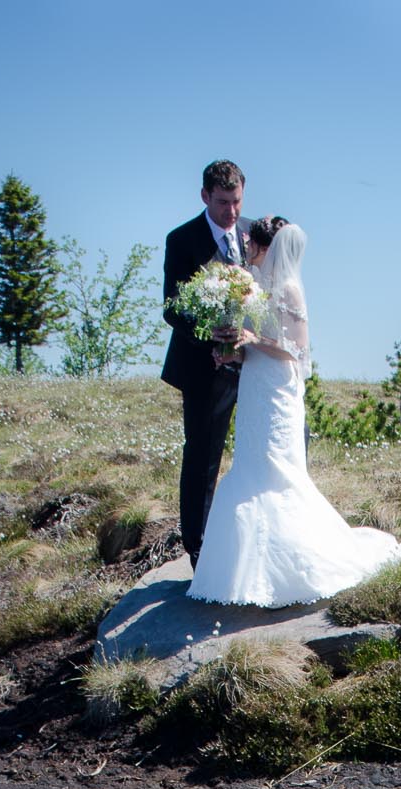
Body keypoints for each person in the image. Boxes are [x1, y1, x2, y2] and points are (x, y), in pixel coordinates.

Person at [188, 220, 401, 608]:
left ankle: (293, 570)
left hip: (278, 388)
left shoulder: (289, 288)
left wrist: (252, 338)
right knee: (251, 469)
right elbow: (251, 345)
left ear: (266, 247)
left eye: (252, 244)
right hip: (255, 384)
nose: (247, 247)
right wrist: (230, 351)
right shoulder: (253, 288)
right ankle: (245, 576)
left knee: (277, 471)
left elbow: (296, 350)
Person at [162, 159, 251, 568]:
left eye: (235, 202)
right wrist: (208, 330)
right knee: (202, 458)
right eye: (221, 203)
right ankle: (197, 550)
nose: (230, 212)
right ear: (204, 197)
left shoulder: (253, 232)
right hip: (203, 370)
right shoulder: (182, 240)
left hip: (253, 365)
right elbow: (172, 309)